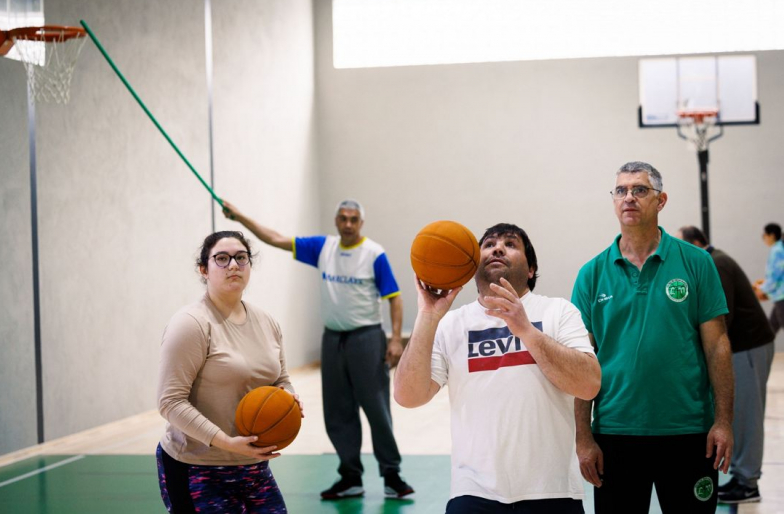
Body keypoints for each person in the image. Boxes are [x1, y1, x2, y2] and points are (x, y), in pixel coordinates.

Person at [394, 223, 601, 514]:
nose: (498, 248)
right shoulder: (452, 324)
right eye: (489, 244)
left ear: (531, 270)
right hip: (473, 492)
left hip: (551, 491)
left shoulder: (558, 311)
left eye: (511, 244)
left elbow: (589, 384)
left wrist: (526, 330)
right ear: (471, 268)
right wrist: (428, 315)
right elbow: (408, 396)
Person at [222, 199, 414, 500]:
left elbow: (395, 297)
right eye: (343, 218)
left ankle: (392, 474)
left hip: (367, 337)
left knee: (376, 408)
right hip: (333, 339)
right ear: (336, 221)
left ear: (361, 224)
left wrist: (394, 340)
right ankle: (350, 476)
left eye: (353, 219)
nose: (348, 223)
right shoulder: (323, 248)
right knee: (337, 411)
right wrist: (240, 217)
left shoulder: (374, 254)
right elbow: (275, 238)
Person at [572, 161, 734, 514]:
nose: (629, 197)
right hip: (616, 432)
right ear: (614, 201)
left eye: (640, 190)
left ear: (660, 201)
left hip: (689, 431)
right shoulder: (591, 274)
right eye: (621, 190)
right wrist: (584, 437)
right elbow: (581, 360)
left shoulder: (696, 263)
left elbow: (717, 344)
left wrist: (723, 422)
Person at [157, 230, 303, 513]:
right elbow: (169, 402)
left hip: (253, 467)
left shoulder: (267, 321)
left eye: (241, 257)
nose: (233, 265)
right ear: (204, 270)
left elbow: (281, 379)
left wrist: (289, 397)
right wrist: (227, 443)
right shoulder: (190, 324)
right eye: (221, 259)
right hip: (197, 468)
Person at [677, 225, 774, 504]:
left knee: (746, 416)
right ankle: (743, 477)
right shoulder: (715, 260)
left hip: (748, 347)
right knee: (743, 414)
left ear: (697, 243)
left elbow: (722, 318)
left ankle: (747, 482)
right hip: (745, 346)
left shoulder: (715, 264)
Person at [753, 223, 784, 336]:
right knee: (771, 327)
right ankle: (763, 352)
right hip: (779, 296)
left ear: (771, 235)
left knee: (772, 327)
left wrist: (762, 289)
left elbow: (775, 276)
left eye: (764, 235)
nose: (764, 238)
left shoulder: (777, 250)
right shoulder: (779, 248)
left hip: (781, 296)